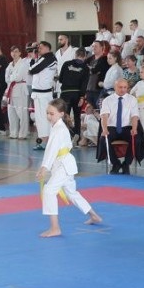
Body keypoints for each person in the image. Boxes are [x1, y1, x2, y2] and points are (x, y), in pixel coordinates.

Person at [36, 99, 103, 238]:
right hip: (63, 165)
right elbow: (51, 150)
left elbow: (52, 150)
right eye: (47, 113)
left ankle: (55, 228)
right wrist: (45, 166)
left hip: (63, 166)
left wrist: (44, 167)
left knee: (49, 191)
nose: (49, 116)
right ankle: (94, 216)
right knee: (72, 193)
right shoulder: (56, 126)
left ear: (61, 114)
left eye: (52, 113)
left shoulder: (59, 129)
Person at [99, 78, 144, 174]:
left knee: (136, 138)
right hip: (112, 128)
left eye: (125, 87)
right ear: (115, 87)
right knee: (103, 139)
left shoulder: (132, 99)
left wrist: (134, 129)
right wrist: (105, 129)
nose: (123, 89)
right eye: (120, 87)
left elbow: (134, 116)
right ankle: (115, 163)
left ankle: (126, 164)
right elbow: (104, 116)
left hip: (127, 127)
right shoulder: (107, 100)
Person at [29, 41, 58, 150]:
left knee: (44, 118)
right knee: (40, 118)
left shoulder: (49, 58)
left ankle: (46, 142)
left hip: (43, 94)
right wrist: (34, 58)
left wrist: (33, 58)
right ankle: (44, 141)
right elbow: (34, 68)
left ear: (47, 47)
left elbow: (32, 69)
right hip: (39, 93)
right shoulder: (44, 59)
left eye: (40, 47)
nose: (38, 49)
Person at [4, 46, 30, 141]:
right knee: (11, 113)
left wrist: (12, 77)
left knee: (22, 113)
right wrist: (12, 77)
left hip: (20, 90)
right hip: (10, 90)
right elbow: (6, 78)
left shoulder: (24, 64)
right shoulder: (10, 65)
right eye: (12, 52)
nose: (14, 54)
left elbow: (18, 77)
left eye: (16, 51)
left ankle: (23, 133)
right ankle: (13, 133)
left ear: (20, 53)